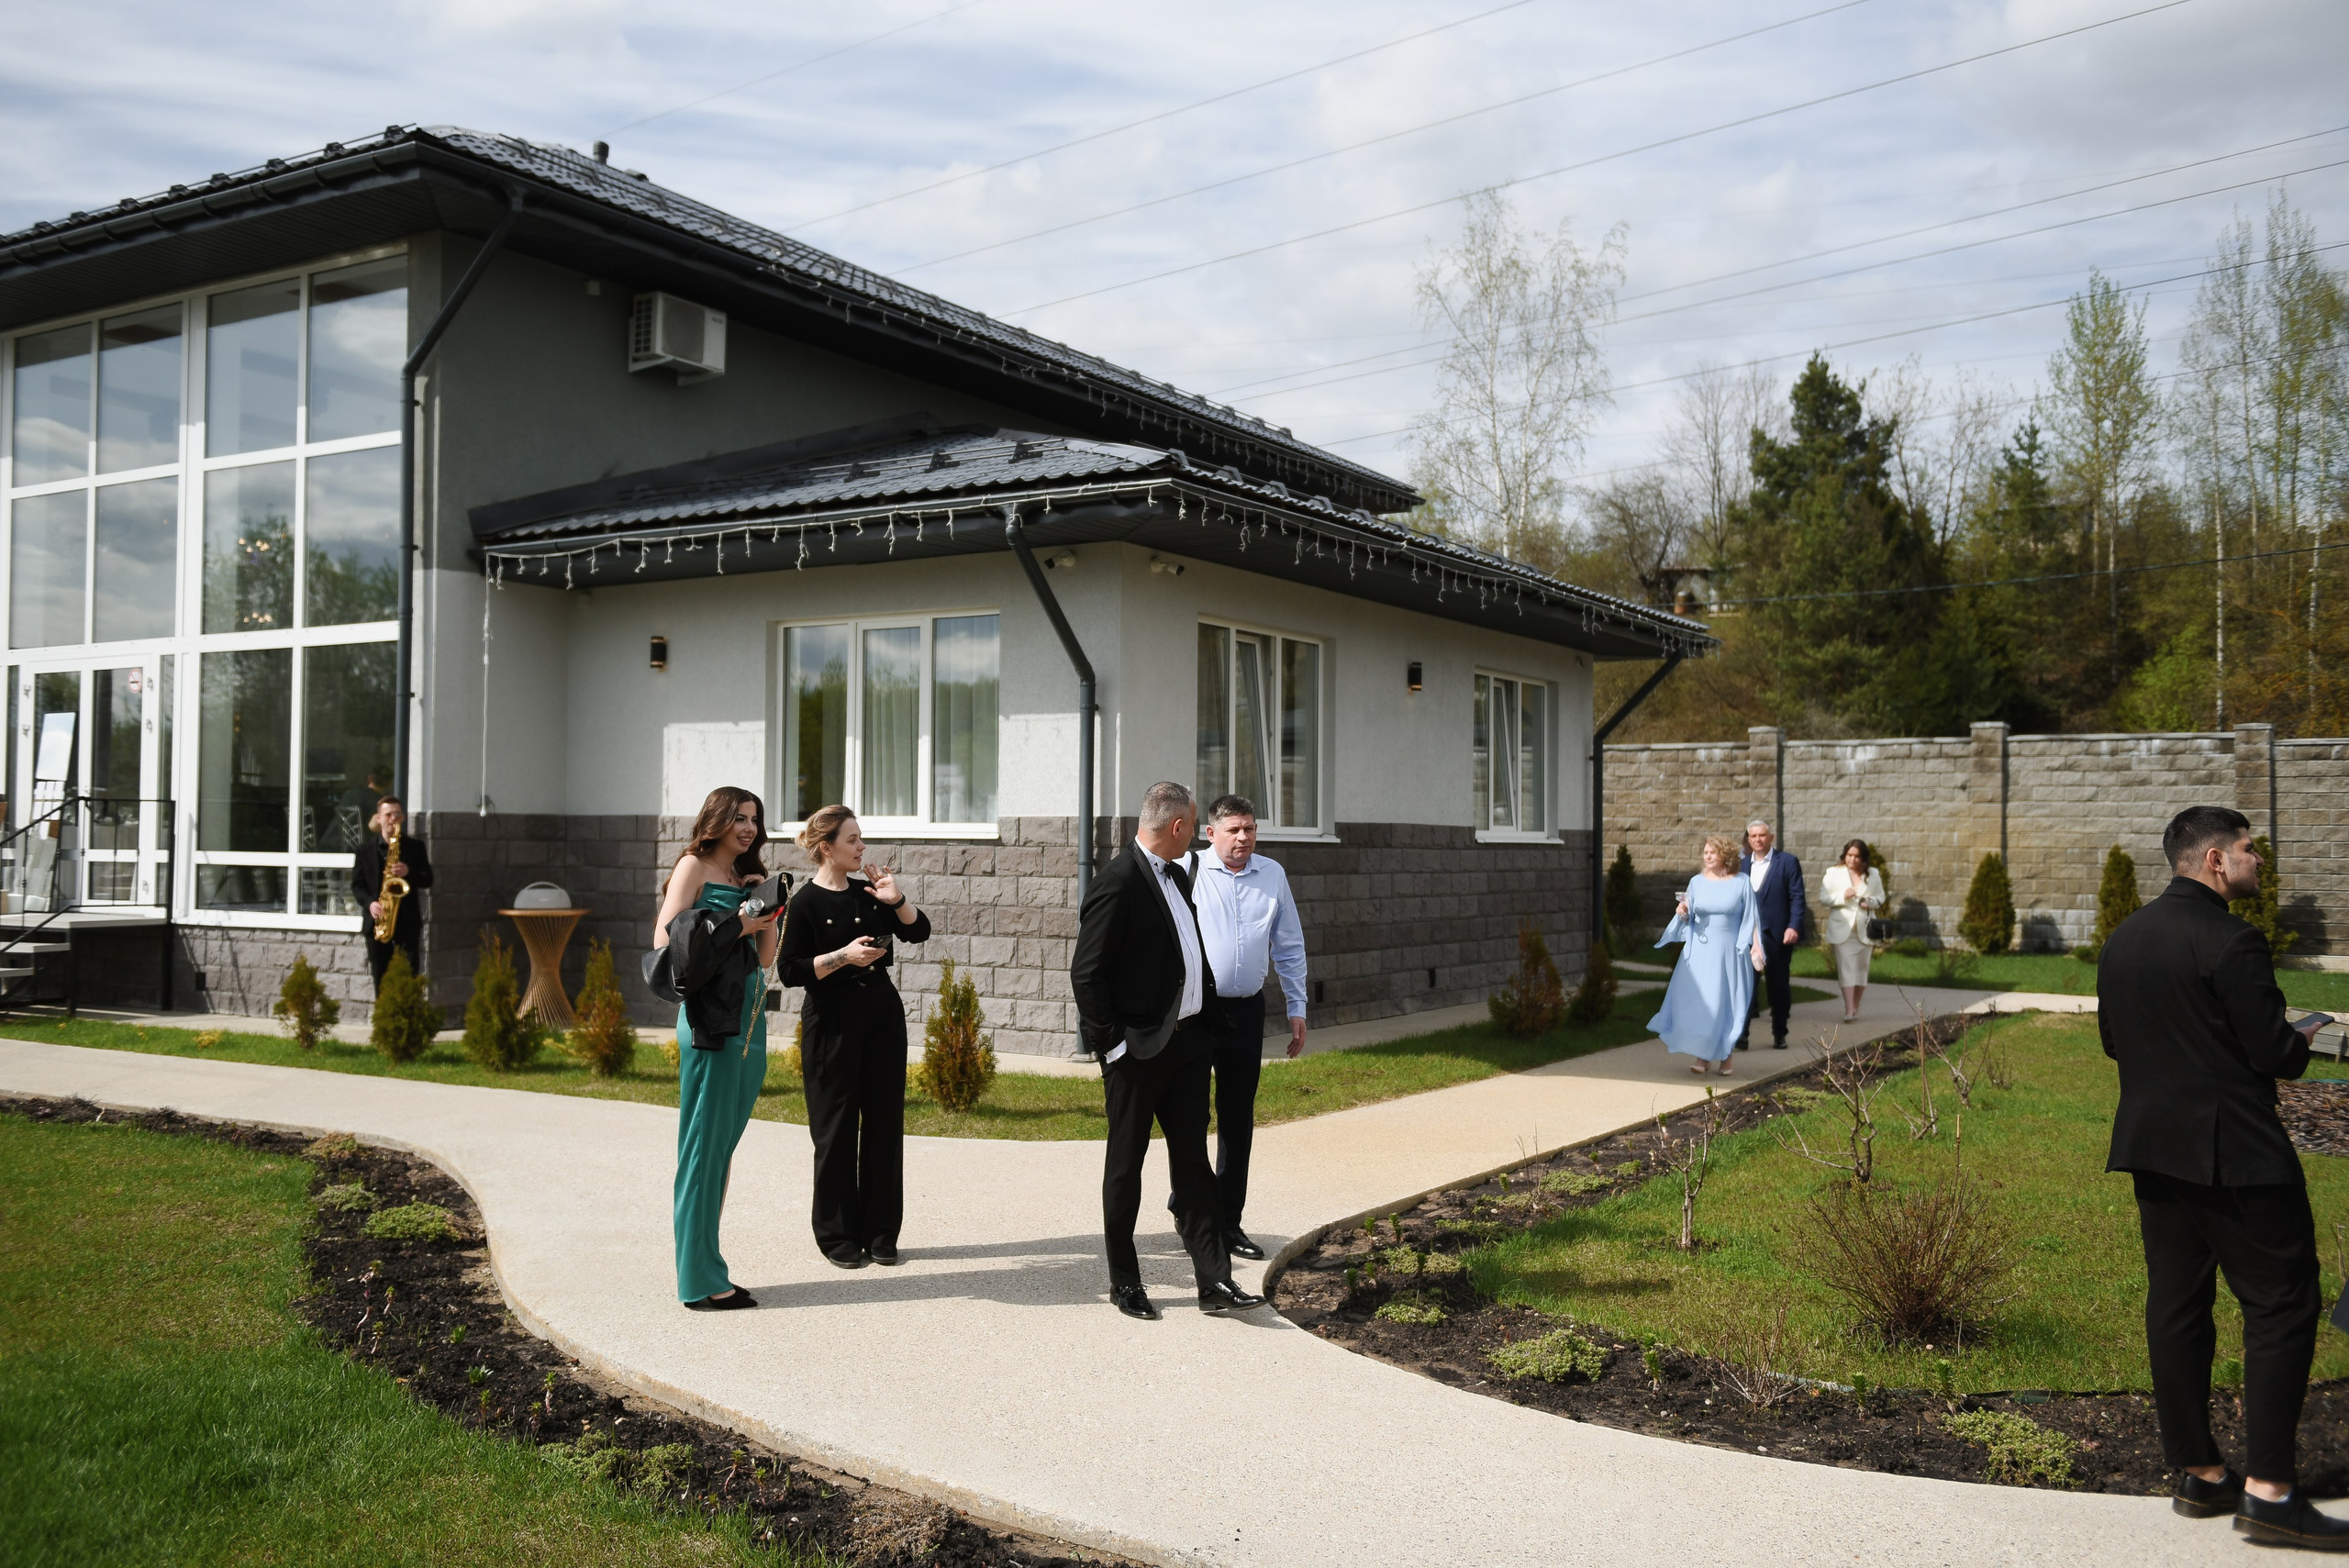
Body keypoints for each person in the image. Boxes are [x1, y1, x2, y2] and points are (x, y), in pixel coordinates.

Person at [2100, 806, 2338, 1547]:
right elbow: (2275, 1054)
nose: (2258, 859)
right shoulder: (2234, 939)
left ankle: (2200, 1474)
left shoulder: (2124, 938)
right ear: (2213, 859)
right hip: (2236, 1152)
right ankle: (2270, 1492)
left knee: (2177, 1303)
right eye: (2248, 848)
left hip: (2152, 1148)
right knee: (2283, 1302)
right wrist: (2303, 1032)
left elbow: (2114, 1041)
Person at [1071, 781, 1264, 1321]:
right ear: (1177, 827)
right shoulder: (1116, 882)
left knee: (1194, 1164)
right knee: (1125, 1167)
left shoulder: (1178, 874)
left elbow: (1183, 954)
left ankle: (1214, 1280)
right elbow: (1087, 974)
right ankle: (1125, 1282)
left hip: (1188, 1046)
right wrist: (1112, 1046)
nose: (1196, 836)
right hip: (1136, 1054)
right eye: (1194, 825)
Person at [776, 806, 930, 1270]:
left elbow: (919, 932)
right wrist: (842, 956)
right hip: (832, 1021)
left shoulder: (871, 893)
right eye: (852, 840)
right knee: (835, 1129)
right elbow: (789, 971)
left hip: (882, 1017)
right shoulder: (804, 902)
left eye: (861, 838)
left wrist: (896, 899)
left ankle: (881, 1232)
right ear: (826, 848)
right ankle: (837, 1234)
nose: (862, 847)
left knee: (884, 1125)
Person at [654, 786, 782, 1312]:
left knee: (720, 1149)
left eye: (754, 819)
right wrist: (737, 924)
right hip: (711, 1022)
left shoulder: (740, 877)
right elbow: (666, 943)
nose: (749, 828)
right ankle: (698, 1281)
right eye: (739, 818)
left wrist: (769, 911)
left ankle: (709, 1266)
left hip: (747, 1022)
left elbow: (766, 958)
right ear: (717, 820)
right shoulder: (694, 866)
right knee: (702, 1150)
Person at [1179, 793, 1308, 1262]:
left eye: (1250, 829)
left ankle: (1228, 1222)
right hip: (1196, 1012)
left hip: (1245, 1013)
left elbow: (1289, 945)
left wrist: (1297, 1006)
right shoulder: (1187, 870)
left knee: (1237, 1119)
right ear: (1210, 833)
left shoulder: (1272, 875)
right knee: (1189, 1116)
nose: (1243, 838)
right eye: (1233, 829)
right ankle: (1191, 1210)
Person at [1648, 834, 1764, 1076]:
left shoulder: (1741, 882)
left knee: (1725, 1003)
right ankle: (1702, 1057)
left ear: (1725, 855)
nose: (1707, 856)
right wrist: (1682, 912)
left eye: (1713, 852)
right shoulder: (1696, 882)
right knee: (1703, 1003)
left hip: (1730, 951)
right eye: (1705, 852)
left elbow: (1751, 917)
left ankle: (1726, 1056)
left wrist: (1754, 946)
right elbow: (1688, 917)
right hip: (1701, 951)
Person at [1738, 819, 1808, 1050]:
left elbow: (1797, 897)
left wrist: (1793, 926)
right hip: (1748, 935)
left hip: (1777, 934)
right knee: (1746, 985)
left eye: (1762, 835)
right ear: (1748, 839)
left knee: (1778, 986)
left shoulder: (1787, 862)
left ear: (1771, 837)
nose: (1758, 840)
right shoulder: (1742, 865)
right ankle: (1742, 1035)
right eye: (1753, 836)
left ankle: (1780, 1033)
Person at [351, 795, 433, 993]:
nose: (393, 819)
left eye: (397, 814)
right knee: (380, 977)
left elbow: (428, 879)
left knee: (409, 976)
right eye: (388, 814)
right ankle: (383, 1011)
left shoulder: (415, 847)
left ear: (403, 817)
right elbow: (357, 886)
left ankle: (408, 1011)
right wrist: (370, 903)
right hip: (378, 921)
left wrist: (409, 872)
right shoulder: (364, 850)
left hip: (407, 922)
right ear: (379, 818)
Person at [1820, 839, 1886, 1023]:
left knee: (1862, 970)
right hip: (1843, 929)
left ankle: (1856, 1006)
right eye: (1849, 855)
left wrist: (1869, 902)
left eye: (1857, 856)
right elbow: (1823, 898)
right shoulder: (1833, 873)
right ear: (1845, 855)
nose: (1852, 859)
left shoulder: (1873, 874)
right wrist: (1842, 896)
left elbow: (1881, 897)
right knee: (1846, 969)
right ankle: (1849, 1009)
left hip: (1865, 930)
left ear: (1863, 858)